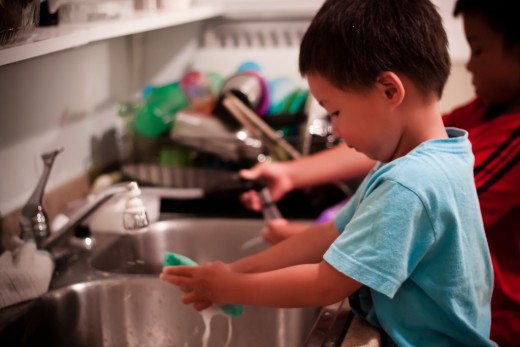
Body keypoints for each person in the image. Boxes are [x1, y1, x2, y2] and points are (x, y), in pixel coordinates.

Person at [161, 0, 496, 345]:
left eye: (335, 112)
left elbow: (327, 283)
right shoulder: (434, 158)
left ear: (389, 90)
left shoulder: (408, 184)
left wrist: (230, 287)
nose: (336, 129)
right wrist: (234, 270)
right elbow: (327, 234)